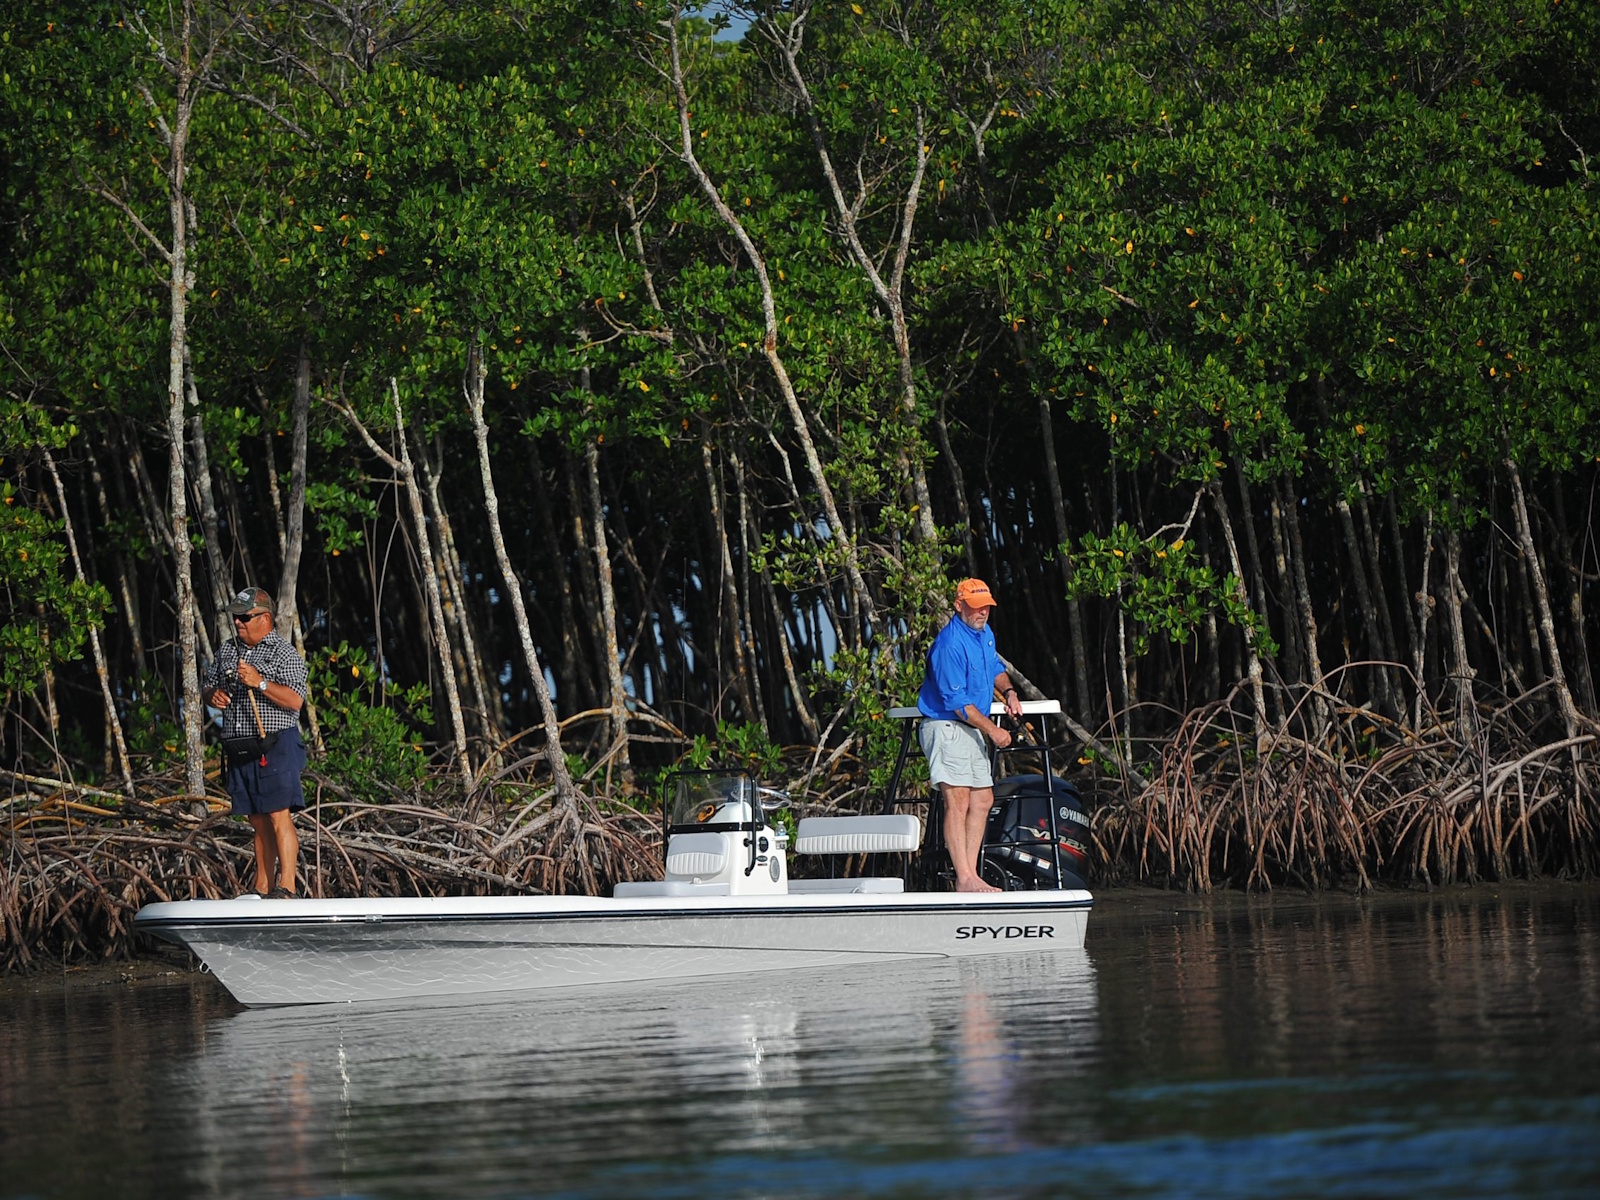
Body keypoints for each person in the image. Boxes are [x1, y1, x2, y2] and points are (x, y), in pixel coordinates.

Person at [917, 578, 1024, 893]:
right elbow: (958, 704)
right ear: (959, 605)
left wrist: (1010, 693)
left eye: (986, 607)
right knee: (958, 799)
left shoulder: (984, 634)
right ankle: (964, 878)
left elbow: (995, 668)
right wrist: (994, 731)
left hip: (971, 729)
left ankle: (972, 873)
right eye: (976, 607)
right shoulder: (949, 645)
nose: (983, 613)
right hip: (946, 727)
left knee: (983, 799)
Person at [203, 585, 309, 899]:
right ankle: (262, 887)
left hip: (275, 745)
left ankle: (287, 886)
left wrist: (259, 682)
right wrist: (213, 695)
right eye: (235, 617)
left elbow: (295, 700)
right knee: (257, 819)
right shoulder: (227, 650)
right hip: (241, 747)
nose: (238, 622)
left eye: (245, 617)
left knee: (278, 814)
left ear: (265, 618)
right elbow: (208, 686)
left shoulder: (283, 652)